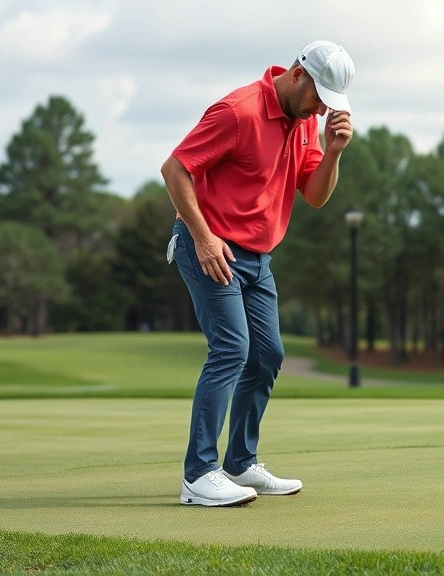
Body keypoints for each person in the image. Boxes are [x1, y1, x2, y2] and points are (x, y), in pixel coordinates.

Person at [161, 41, 355, 507]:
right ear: (296, 75)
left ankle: (240, 463)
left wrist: (334, 152)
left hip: (258, 258)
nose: (319, 110)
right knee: (232, 348)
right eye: (317, 98)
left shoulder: (307, 125)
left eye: (330, 105)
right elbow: (175, 169)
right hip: (210, 246)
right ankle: (198, 474)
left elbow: (314, 195)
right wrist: (204, 237)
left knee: (268, 354)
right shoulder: (239, 111)